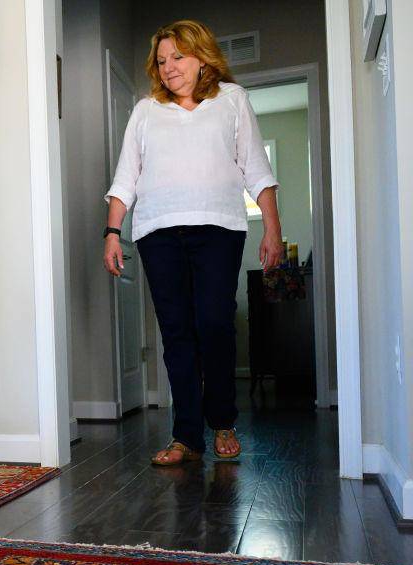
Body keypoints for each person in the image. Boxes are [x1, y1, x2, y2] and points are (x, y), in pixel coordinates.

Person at [103, 19, 284, 466]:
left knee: (215, 324)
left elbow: (257, 169)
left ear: (202, 55)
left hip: (219, 228)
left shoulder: (231, 100)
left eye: (177, 57)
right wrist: (112, 232)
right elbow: (126, 176)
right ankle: (186, 435)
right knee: (176, 333)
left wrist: (273, 229)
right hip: (157, 232)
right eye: (161, 61)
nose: (168, 67)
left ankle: (222, 421)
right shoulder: (146, 110)